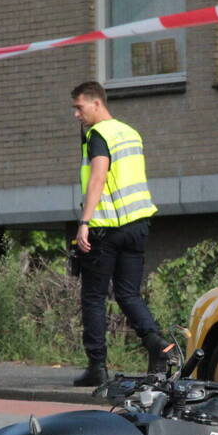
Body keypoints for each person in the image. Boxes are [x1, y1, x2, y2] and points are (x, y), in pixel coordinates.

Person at [70, 81, 171, 387]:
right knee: (128, 293)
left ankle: (97, 366)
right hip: (138, 224)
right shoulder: (130, 132)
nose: (76, 114)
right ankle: (157, 346)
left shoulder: (98, 134)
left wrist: (84, 222)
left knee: (94, 297)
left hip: (106, 227)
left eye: (79, 107)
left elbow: (99, 176)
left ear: (96, 103)